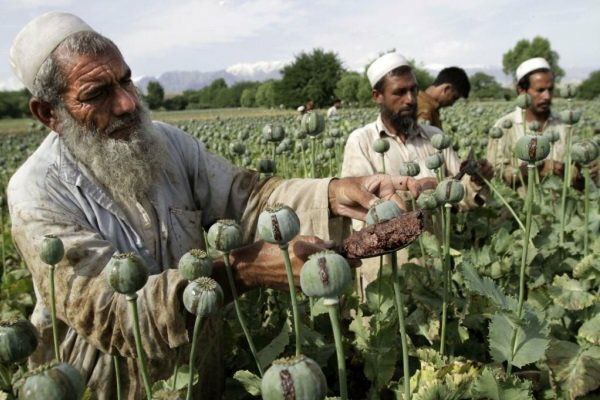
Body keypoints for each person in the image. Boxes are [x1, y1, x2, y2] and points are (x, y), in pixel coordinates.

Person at [7, 13, 430, 399]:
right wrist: (243, 270)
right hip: (105, 386)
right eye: (98, 93)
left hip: (199, 376)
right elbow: (113, 313)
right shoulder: (37, 191)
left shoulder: (166, 143)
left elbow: (250, 199)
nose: (127, 103)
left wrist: (335, 192)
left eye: (126, 80)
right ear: (49, 113)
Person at [341, 52, 492, 296]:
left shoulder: (434, 137)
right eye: (399, 92)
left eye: (413, 90)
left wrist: (475, 179)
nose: (410, 99)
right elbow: (360, 213)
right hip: (387, 278)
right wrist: (418, 192)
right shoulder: (362, 141)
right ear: (377, 96)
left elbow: (460, 196)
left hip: (434, 270)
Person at [486, 57, 569, 185]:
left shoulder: (563, 125)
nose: (547, 96)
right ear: (521, 90)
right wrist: (536, 169)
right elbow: (494, 175)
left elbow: (574, 166)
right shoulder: (504, 127)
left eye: (550, 89)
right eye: (540, 90)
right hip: (519, 204)